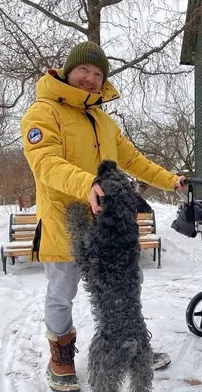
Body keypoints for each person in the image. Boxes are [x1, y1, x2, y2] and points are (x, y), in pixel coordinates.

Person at [20, 41, 185, 392]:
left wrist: (172, 180)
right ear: (68, 71)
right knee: (62, 293)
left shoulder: (104, 121)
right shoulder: (42, 113)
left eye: (98, 74)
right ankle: (60, 355)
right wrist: (88, 185)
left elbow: (135, 161)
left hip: (111, 229)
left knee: (126, 292)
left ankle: (135, 344)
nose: (91, 79)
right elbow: (45, 164)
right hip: (67, 223)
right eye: (84, 71)